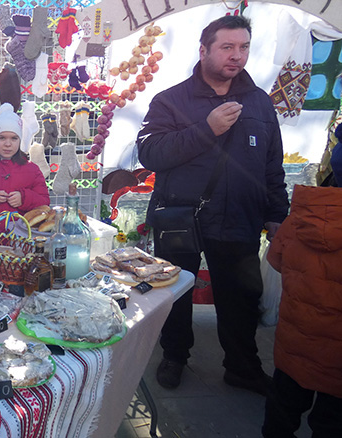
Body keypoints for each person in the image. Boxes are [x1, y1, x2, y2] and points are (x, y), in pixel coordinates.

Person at [136, 15, 289, 393]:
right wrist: (206, 130)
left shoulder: (258, 103)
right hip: (180, 217)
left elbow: (272, 164)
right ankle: (175, 356)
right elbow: (151, 152)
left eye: (243, 48)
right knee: (174, 292)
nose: (236, 56)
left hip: (239, 218)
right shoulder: (171, 100)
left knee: (240, 297)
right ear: (203, 50)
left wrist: (276, 215)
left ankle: (242, 366)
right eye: (227, 47)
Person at [260, 144, 342, 437]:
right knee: (331, 421)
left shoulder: (300, 218)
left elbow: (276, 261)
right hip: (337, 357)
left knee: (283, 406)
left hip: (297, 339)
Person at [0, 103, 49, 236]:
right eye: (2, 138)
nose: (8, 144)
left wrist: (24, 198)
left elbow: (44, 204)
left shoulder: (32, 170)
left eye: (14, 138)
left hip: (22, 239)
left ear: (20, 140)